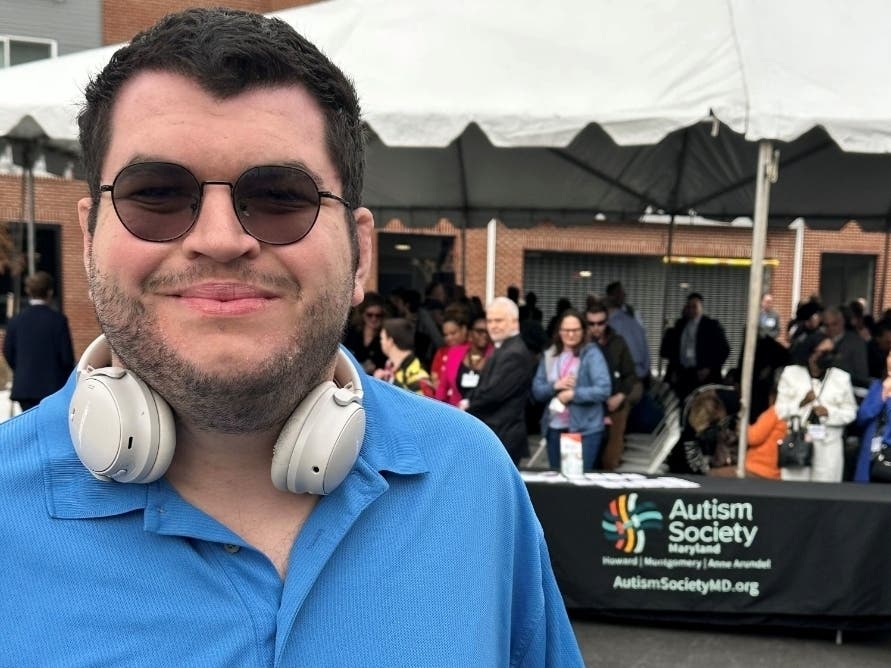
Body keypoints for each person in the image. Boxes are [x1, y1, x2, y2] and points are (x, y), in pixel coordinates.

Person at [0, 10, 583, 665]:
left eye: (280, 196)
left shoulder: (469, 480)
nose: (220, 239)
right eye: (156, 194)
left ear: (360, 250)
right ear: (88, 236)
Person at [532, 309, 611, 471]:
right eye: (566, 330)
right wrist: (556, 386)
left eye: (575, 330)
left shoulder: (591, 354)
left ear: (583, 331)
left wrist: (573, 395)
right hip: (554, 426)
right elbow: (537, 391)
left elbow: (604, 389)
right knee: (557, 479)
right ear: (559, 331)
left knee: (577, 482)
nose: (570, 334)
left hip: (585, 429)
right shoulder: (550, 355)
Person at [775, 331, 857, 482]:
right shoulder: (791, 374)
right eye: (824, 352)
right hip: (799, 440)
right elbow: (780, 411)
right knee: (795, 491)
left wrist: (829, 412)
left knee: (826, 493)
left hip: (829, 444)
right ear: (810, 352)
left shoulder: (841, 377)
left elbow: (851, 412)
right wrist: (802, 403)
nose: (829, 356)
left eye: (832, 352)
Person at [464, 297, 536, 465]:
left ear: (514, 321)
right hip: (498, 432)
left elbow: (493, 393)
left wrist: (468, 402)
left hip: (504, 434)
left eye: (499, 320)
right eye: (490, 321)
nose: (493, 326)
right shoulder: (504, 347)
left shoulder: (514, 353)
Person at [2, 271, 75, 410]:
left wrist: (21, 369)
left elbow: (7, 352)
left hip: (25, 387)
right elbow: (66, 358)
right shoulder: (58, 321)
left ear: (29, 292)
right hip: (53, 387)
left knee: (29, 426)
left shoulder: (16, 321)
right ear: (50, 292)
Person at [586, 302, 641, 470]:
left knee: (611, 457)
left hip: (615, 405)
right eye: (591, 324)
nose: (596, 328)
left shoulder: (618, 342)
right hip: (588, 407)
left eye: (600, 323)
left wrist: (621, 395)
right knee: (586, 458)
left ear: (607, 322)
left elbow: (631, 374)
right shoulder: (582, 344)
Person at [673, 292, 730, 401]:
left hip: (704, 374)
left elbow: (724, 350)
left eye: (695, 306)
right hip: (685, 373)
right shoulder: (681, 325)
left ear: (701, 308)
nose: (691, 310)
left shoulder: (711, 325)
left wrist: (709, 367)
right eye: (689, 306)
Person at [434, 315, 493, 407]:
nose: (484, 335)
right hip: (456, 412)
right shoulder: (455, 353)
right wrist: (438, 409)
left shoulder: (495, 355)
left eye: (487, 331)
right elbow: (443, 387)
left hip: (483, 413)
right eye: (479, 331)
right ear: (470, 333)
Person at [854, 347, 891, 482]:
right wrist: (882, 396)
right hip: (874, 452)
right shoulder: (878, 385)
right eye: (889, 356)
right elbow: (862, 417)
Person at [375, 317, 434, 397]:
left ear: (390, 341)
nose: (381, 342)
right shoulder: (389, 368)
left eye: (382, 338)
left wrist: (387, 382)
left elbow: (422, 407)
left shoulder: (418, 376)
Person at [341, 291, 388, 374]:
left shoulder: (386, 337)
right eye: (370, 315)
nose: (374, 319)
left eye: (378, 315)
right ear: (362, 314)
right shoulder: (352, 333)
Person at [745, 387, 785, 479]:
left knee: (712, 475)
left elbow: (753, 437)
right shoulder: (794, 414)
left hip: (759, 469)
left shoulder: (775, 412)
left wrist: (743, 427)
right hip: (776, 472)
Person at [429, 312, 468, 391]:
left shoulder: (472, 351)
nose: (449, 338)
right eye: (445, 335)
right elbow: (434, 377)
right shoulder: (441, 352)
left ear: (464, 330)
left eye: (453, 333)